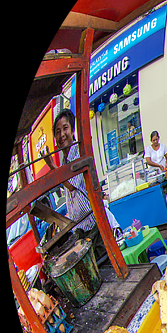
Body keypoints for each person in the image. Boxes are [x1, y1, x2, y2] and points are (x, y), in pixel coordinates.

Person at [42, 108, 106, 261]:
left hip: (93, 227)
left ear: (72, 130)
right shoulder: (64, 162)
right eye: (57, 131)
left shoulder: (78, 152)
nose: (62, 134)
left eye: (65, 128)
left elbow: (71, 185)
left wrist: (51, 165)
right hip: (81, 230)